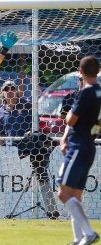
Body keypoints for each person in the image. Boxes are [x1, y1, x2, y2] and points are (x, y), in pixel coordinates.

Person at [0, 80, 59, 219]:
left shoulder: (27, 104)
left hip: (28, 143)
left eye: (12, 88)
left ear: (17, 90)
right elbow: (0, 134)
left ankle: (41, 165)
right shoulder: (0, 111)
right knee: (39, 142)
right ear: (2, 93)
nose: (10, 91)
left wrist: (30, 132)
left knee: (37, 137)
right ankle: (45, 157)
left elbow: (37, 124)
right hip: (12, 149)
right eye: (7, 89)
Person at [58, 56, 100, 245]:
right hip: (89, 146)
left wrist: (69, 126)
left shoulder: (86, 93)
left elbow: (70, 120)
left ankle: (89, 233)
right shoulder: (100, 92)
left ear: (80, 72)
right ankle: (78, 238)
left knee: (63, 193)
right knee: (75, 196)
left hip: (78, 146)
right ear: (97, 71)